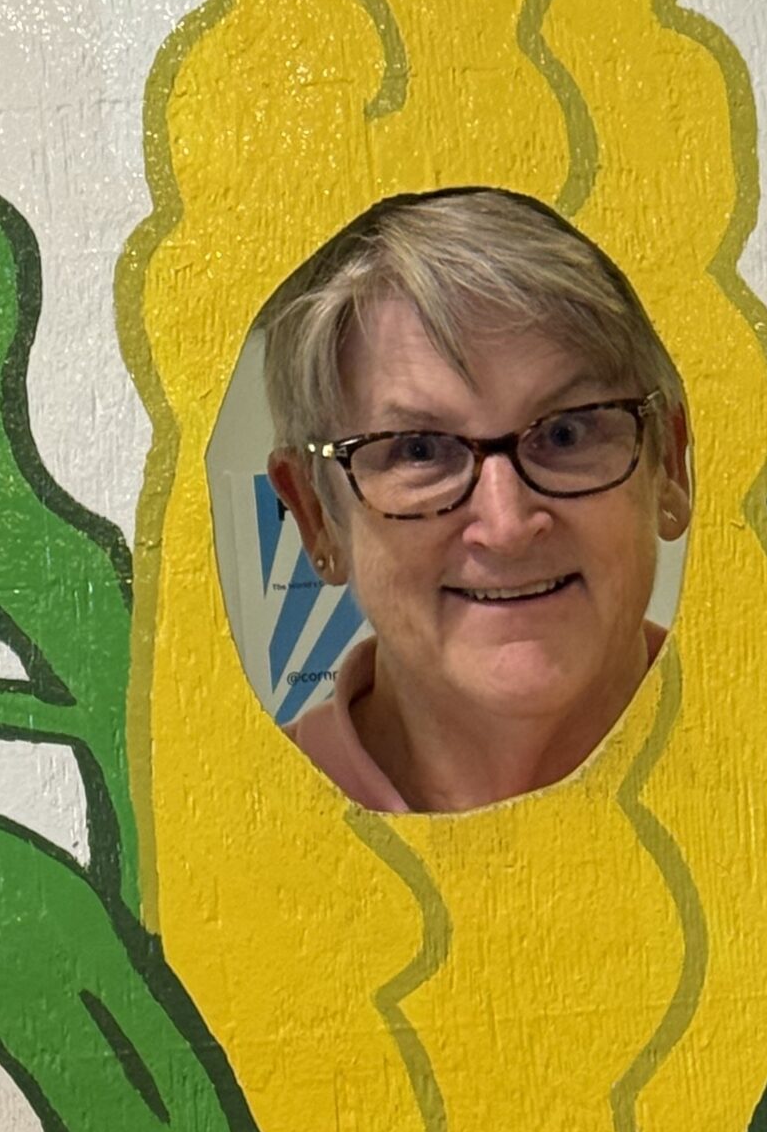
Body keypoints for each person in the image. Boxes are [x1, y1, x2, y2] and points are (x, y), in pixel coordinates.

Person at [262, 188, 693, 811]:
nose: (507, 525)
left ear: (670, 465)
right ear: (315, 516)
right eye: (418, 451)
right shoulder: (235, 842)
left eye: (567, 432)